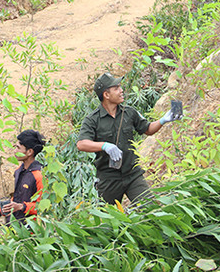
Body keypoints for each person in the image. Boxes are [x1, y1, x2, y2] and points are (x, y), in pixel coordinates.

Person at [77, 73, 181, 205]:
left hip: (132, 174)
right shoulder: (92, 120)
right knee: (109, 219)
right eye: (116, 88)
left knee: (150, 208)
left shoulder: (129, 112)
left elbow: (147, 129)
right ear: (106, 95)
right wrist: (104, 146)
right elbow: (81, 144)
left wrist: (163, 120)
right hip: (108, 179)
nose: (121, 91)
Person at [0, 129, 46, 224]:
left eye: (18, 148)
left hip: (31, 230)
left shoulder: (39, 175)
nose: (15, 151)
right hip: (15, 226)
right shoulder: (19, 170)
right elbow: (17, 198)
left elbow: (43, 207)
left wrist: (21, 207)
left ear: (29, 152)